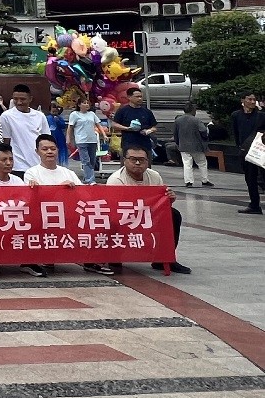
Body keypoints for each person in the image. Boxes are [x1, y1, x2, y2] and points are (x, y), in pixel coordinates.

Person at [25, 134, 114, 278]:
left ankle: (91, 261)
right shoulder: (31, 173)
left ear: (58, 150)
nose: (49, 152)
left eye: (53, 148)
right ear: (37, 152)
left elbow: (84, 197)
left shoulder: (68, 172)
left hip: (71, 216)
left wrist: (91, 190)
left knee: (101, 219)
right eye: (45, 149)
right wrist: (59, 189)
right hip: (45, 218)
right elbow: (33, 199)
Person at [105, 145, 192, 274]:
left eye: (142, 160)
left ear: (148, 161)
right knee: (111, 221)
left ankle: (164, 258)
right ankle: (114, 255)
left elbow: (161, 203)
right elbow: (113, 209)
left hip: (149, 214)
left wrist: (169, 198)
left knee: (173, 215)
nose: (138, 163)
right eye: (133, 159)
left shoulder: (154, 176)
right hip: (124, 217)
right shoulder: (116, 180)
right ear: (124, 160)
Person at [0, 83, 50, 178]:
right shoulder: (6, 116)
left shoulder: (40, 116)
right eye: (15, 99)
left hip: (38, 165)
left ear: (30, 99)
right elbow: (6, 141)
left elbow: (47, 140)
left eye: (22, 99)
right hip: (18, 167)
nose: (19, 102)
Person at [231, 93, 263, 214]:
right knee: (250, 179)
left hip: (259, 151)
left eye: (254, 99)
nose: (252, 101)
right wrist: (240, 147)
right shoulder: (236, 115)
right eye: (249, 99)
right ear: (243, 100)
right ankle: (254, 205)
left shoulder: (261, 116)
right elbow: (236, 132)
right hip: (245, 151)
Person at [111, 87, 158, 162]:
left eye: (141, 97)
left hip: (145, 144)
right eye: (137, 97)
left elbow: (154, 127)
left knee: (145, 166)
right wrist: (127, 128)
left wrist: (148, 131)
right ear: (129, 97)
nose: (139, 99)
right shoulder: (123, 111)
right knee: (127, 165)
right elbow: (114, 125)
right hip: (128, 144)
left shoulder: (147, 112)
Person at [66, 91, 102, 186]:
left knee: (92, 160)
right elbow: (70, 127)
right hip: (81, 140)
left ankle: (87, 178)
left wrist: (104, 134)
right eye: (84, 103)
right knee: (86, 160)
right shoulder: (74, 114)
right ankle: (91, 180)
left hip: (92, 140)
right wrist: (68, 138)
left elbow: (98, 124)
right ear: (79, 105)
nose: (86, 105)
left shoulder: (92, 114)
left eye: (87, 103)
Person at [173, 108, 212, 188]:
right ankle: (204, 180)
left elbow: (175, 133)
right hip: (197, 146)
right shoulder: (196, 120)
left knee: (187, 164)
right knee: (202, 163)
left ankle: (188, 181)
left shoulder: (178, 120)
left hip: (183, 146)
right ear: (193, 111)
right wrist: (205, 138)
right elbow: (203, 130)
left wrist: (178, 142)